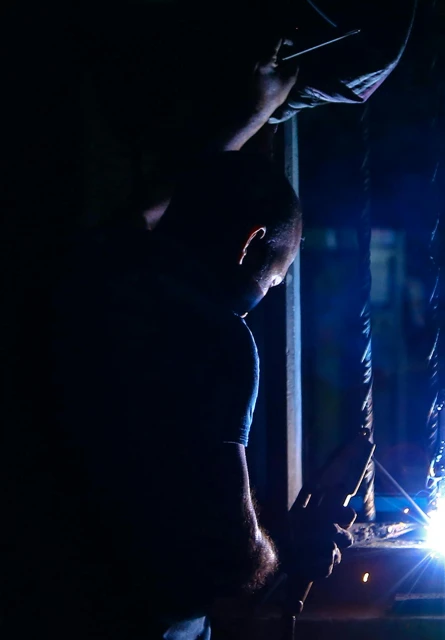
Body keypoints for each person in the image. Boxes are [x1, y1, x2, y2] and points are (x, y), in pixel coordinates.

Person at [1, 33, 353, 640]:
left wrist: (248, 118)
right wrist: (289, 551)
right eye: (277, 275)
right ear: (250, 246)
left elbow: (148, 212)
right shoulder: (215, 339)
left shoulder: (92, 276)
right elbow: (227, 562)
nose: (271, 293)